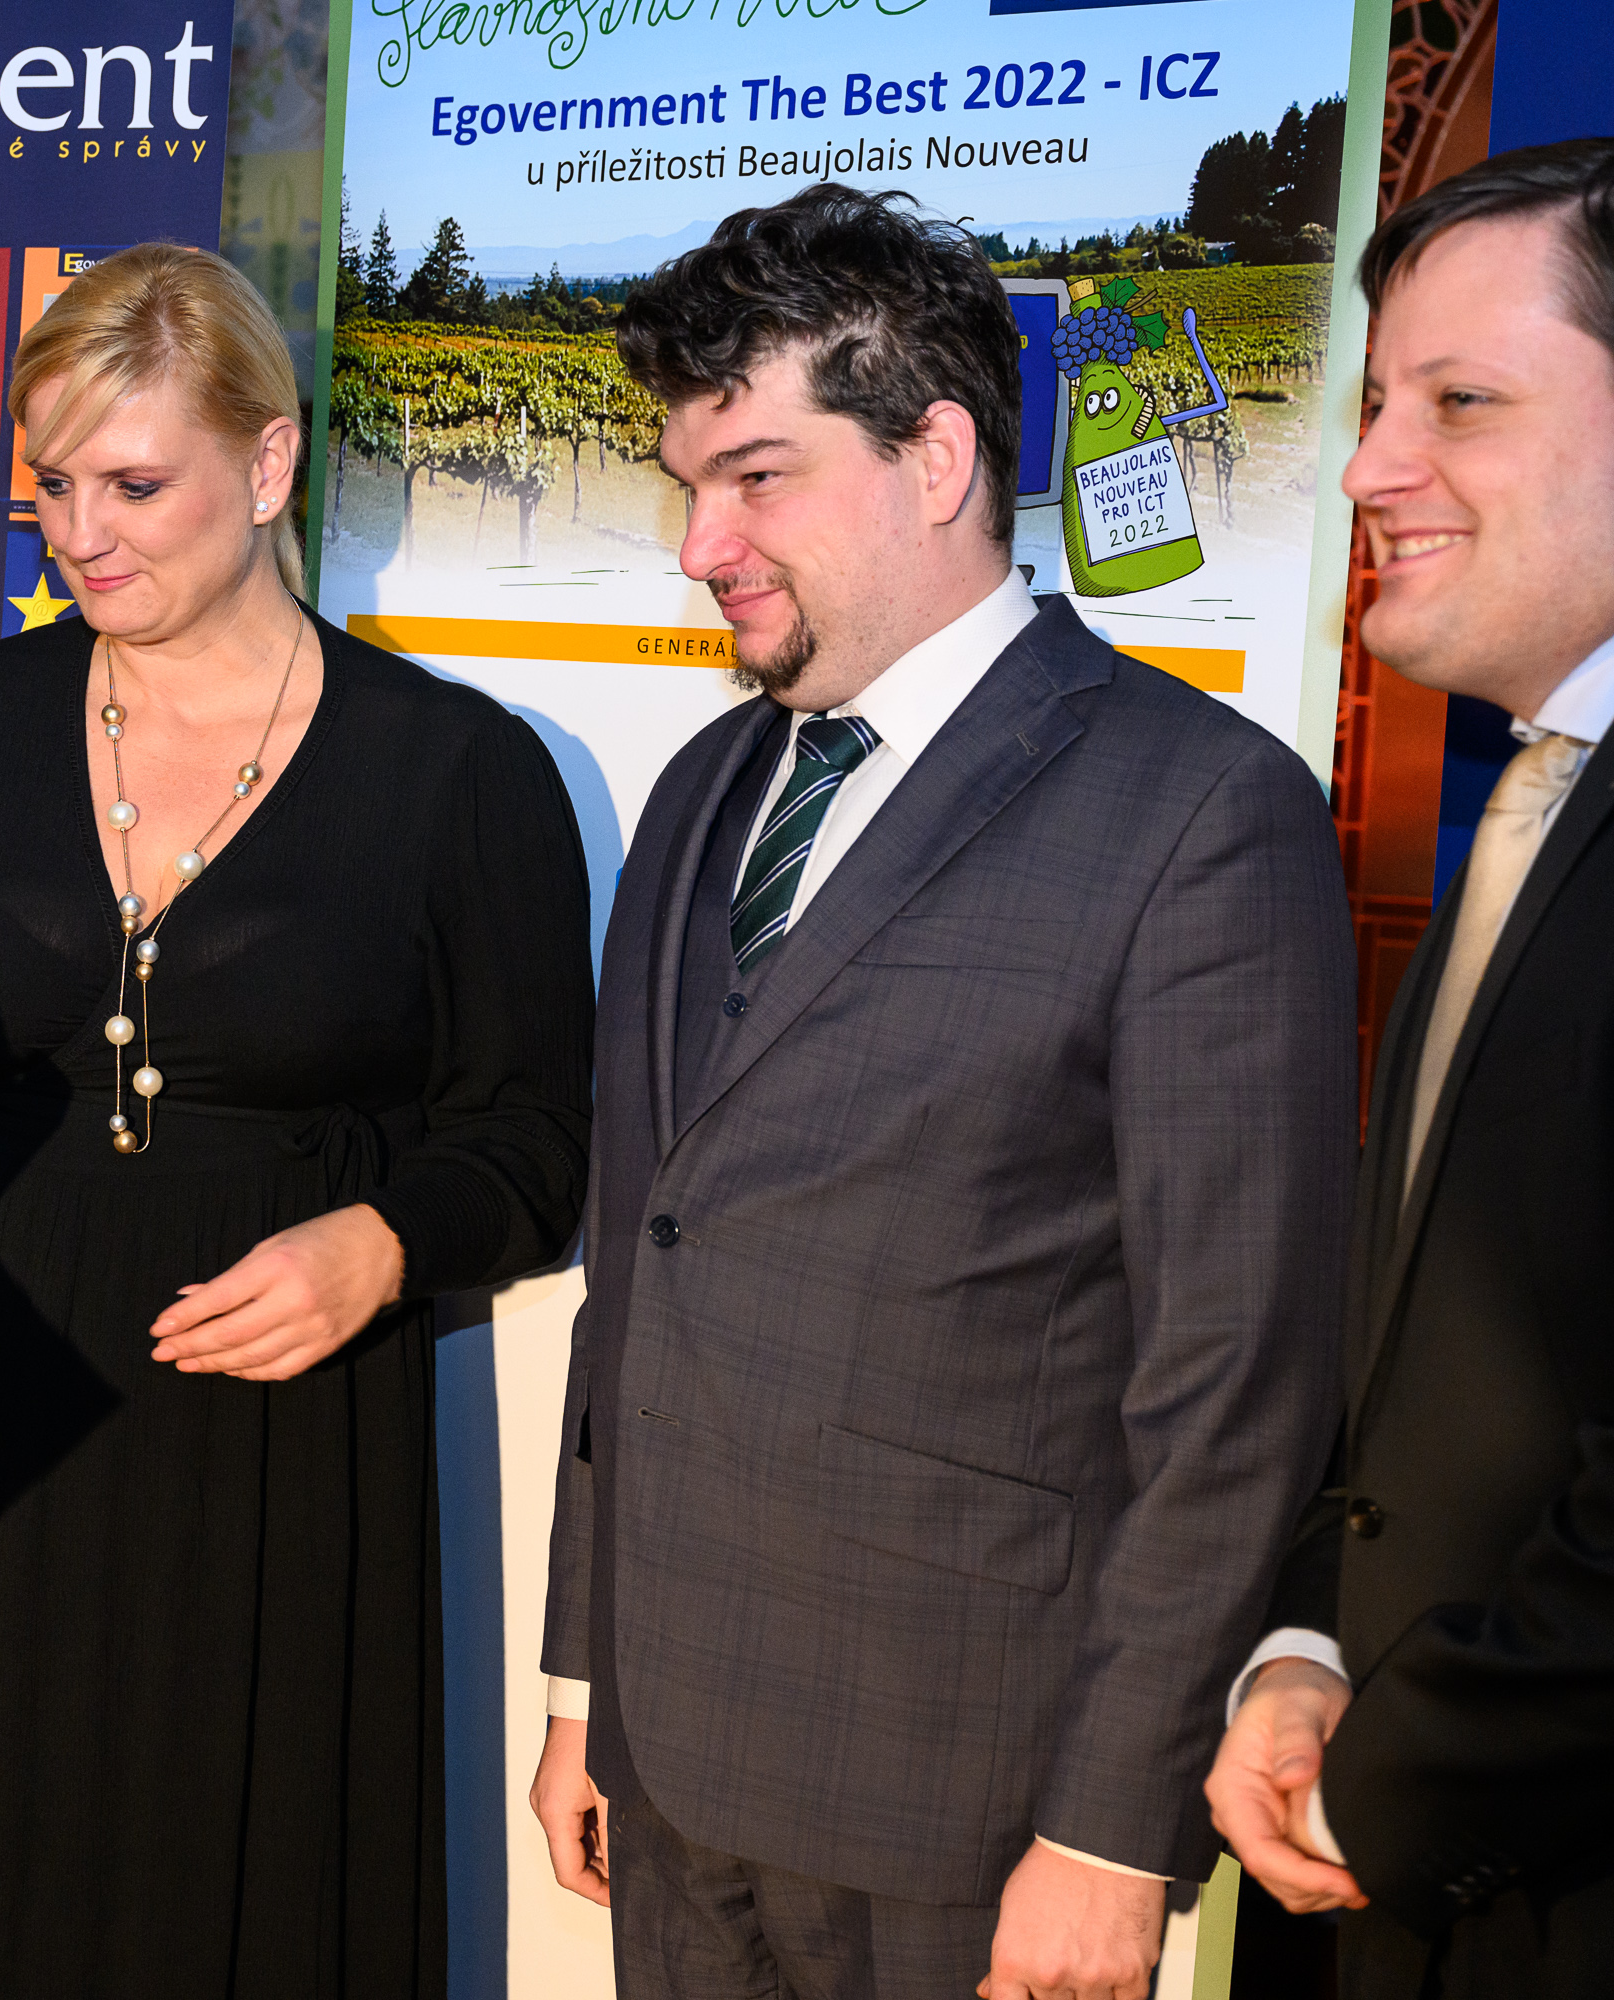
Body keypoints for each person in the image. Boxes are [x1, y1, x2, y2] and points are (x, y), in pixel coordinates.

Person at [0, 242, 594, 2000]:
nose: (81, 535)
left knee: (199, 1897)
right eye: (52, 486)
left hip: (254, 1464)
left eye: (133, 485)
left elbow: (535, 1140)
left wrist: (383, 1245)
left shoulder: (457, 768)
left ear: (269, 466)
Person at [529, 184, 1354, 2000]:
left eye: (756, 478)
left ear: (939, 457)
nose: (701, 545)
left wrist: (1114, 1826)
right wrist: (587, 1680)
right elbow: (639, 1269)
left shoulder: (1202, 812)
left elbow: (1235, 1379)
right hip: (671, 1768)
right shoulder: (704, 790)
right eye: (687, 486)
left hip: (970, 1809)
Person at [1205, 139, 1614, 1999]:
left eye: (1461, 403)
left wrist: (1406, 1779)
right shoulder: (1541, 795)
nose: (1370, 468)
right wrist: (1309, 1646)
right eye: (1377, 406)